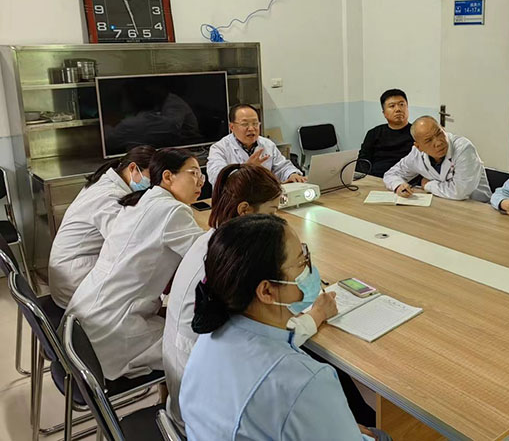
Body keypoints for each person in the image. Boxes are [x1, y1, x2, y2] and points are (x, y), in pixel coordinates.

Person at [180, 215, 390, 441]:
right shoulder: (303, 382)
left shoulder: (211, 335)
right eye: (302, 262)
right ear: (267, 291)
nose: (309, 269)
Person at [163, 164, 336, 434]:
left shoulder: (216, 245)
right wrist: (316, 315)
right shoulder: (230, 267)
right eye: (272, 213)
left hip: (196, 401)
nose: (278, 221)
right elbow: (257, 341)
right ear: (245, 211)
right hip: (209, 412)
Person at [65, 148, 206, 380]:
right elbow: (206, 258)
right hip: (112, 330)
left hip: (85, 318)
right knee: (199, 348)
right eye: (193, 173)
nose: (200, 181)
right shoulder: (172, 210)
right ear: (168, 176)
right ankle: (179, 403)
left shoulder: (141, 201)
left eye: (201, 175)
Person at [48, 145, 156, 308]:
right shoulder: (110, 197)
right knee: (147, 289)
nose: (153, 186)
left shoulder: (106, 182)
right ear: (133, 168)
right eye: (152, 179)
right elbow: (127, 245)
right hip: (75, 287)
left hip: (72, 273)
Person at [383, 116, 491, 202]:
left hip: (476, 206)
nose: (438, 143)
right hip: (443, 203)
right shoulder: (416, 154)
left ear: (443, 129)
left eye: (439, 133)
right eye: (429, 140)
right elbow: (391, 174)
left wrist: (428, 185)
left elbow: (460, 192)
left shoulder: (463, 148)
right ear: (418, 147)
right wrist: (398, 185)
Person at [207, 104, 306, 186]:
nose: (251, 128)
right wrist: (245, 170)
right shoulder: (219, 149)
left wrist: (292, 174)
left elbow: (282, 167)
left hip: (264, 197)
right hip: (232, 200)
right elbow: (218, 178)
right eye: (245, 124)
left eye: (255, 123)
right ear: (232, 127)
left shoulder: (267, 144)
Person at [356, 89, 413, 177]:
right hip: (376, 178)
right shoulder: (374, 133)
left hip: (406, 180)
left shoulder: (417, 133)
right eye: (392, 106)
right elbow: (363, 161)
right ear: (384, 113)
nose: (398, 109)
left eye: (401, 104)